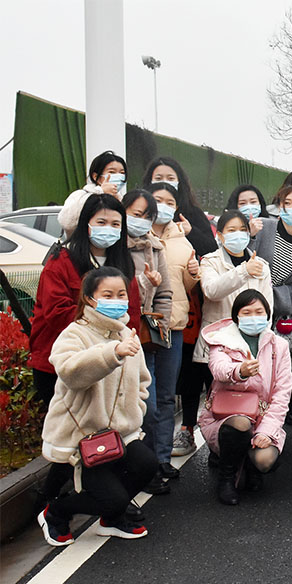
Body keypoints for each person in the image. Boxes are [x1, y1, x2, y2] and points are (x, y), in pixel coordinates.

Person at [29, 194, 143, 508]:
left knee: (99, 433)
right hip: (60, 363)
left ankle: (103, 498)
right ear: (86, 224)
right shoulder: (62, 261)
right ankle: (53, 500)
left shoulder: (123, 263)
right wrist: (102, 325)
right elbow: (55, 312)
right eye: (101, 222)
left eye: (116, 224)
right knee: (72, 435)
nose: (109, 229)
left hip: (111, 367)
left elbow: (131, 312)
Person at [37, 267, 155, 545]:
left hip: (120, 432)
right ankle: (56, 512)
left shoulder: (127, 333)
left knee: (147, 465)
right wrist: (111, 354)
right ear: (90, 299)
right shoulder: (75, 333)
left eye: (121, 294)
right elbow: (69, 371)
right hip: (83, 436)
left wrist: (136, 410)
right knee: (112, 497)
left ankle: (111, 518)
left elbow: (142, 381)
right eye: (108, 295)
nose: (117, 300)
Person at [199, 290, 291, 505]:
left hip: (263, 417)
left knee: (264, 460)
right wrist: (240, 371)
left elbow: (282, 393)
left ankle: (250, 466)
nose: (253, 317)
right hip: (226, 416)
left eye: (259, 312)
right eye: (247, 312)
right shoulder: (220, 341)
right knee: (240, 423)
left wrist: (266, 432)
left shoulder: (280, 346)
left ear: (268, 315)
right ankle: (226, 477)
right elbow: (219, 369)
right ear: (236, 316)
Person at [140, 185, 202, 461]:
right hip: (141, 328)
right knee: (146, 400)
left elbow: (186, 287)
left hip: (173, 328)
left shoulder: (183, 241)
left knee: (166, 398)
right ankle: (145, 458)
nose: (163, 205)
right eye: (158, 200)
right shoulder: (137, 235)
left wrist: (193, 275)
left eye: (170, 202)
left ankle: (162, 460)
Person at [123, 190, 177, 494]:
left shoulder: (157, 248)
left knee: (153, 406)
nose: (140, 220)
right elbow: (117, 290)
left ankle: (154, 466)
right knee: (136, 409)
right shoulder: (116, 248)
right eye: (135, 212)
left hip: (148, 338)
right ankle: (138, 470)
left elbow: (165, 293)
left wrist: (161, 323)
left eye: (146, 215)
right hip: (121, 340)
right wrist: (145, 283)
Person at [193, 210, 274, 368]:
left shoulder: (261, 265)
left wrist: (263, 339)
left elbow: (268, 307)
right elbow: (212, 291)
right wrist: (244, 271)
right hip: (217, 343)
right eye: (231, 230)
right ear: (221, 236)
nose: (238, 234)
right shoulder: (210, 262)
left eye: (243, 230)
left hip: (251, 344)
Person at [250, 186, 292, 321]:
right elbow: (245, 257)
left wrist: (273, 296)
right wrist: (250, 236)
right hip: (247, 306)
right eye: (287, 203)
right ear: (280, 207)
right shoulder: (263, 227)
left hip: (274, 315)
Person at [141, 157, 218, 257]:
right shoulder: (140, 212)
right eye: (158, 178)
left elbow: (212, 250)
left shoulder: (192, 212)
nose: (164, 182)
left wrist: (190, 232)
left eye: (170, 178)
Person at [58, 151, 127, 237]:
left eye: (122, 173)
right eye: (112, 172)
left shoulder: (121, 200)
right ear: (95, 176)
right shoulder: (80, 195)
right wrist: (100, 192)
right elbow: (67, 222)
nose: (118, 176)